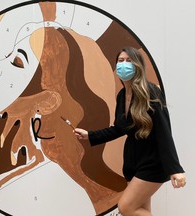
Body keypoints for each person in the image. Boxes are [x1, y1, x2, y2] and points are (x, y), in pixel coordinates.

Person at [74, 47, 186, 216]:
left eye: (128, 61)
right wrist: (90, 135)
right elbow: (120, 129)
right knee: (142, 211)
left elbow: (164, 131)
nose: (124, 65)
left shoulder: (150, 92)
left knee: (126, 207)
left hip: (152, 163)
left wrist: (175, 169)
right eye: (120, 61)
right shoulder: (121, 95)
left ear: (138, 66)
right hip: (133, 162)